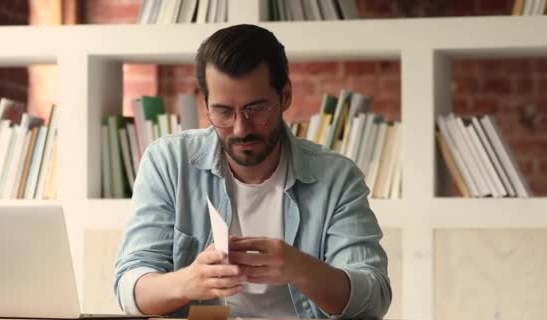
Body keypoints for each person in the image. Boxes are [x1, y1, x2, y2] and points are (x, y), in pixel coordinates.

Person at [114, 24, 392, 319]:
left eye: (256, 109)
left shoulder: (337, 178)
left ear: (285, 96)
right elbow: (129, 286)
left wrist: (300, 268)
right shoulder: (168, 163)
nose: (240, 128)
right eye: (223, 111)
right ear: (205, 103)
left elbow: (373, 298)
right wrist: (187, 283)